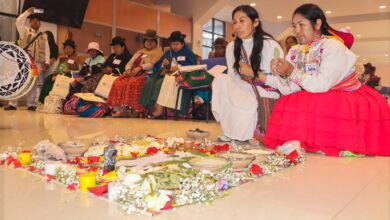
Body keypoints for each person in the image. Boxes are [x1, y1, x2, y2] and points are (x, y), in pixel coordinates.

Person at [263, 4, 390, 156]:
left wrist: (291, 71)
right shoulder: (295, 50)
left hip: (342, 100)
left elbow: (321, 85)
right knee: (291, 100)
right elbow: (289, 89)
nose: (297, 31)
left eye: (301, 25)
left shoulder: (333, 46)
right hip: (315, 98)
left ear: (317, 24)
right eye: (294, 26)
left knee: (322, 100)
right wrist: (282, 74)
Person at [212, 5, 283, 142]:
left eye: (242, 21)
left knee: (244, 94)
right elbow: (233, 77)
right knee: (220, 80)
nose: (237, 26)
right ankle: (230, 130)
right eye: (235, 22)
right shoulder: (232, 47)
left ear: (255, 22)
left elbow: (278, 80)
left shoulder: (270, 45)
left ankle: (248, 132)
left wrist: (252, 73)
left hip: (265, 89)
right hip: (242, 86)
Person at [140, 31, 197, 119]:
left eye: (177, 44)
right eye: (172, 44)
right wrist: (164, 65)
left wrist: (178, 67)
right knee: (150, 81)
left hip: (182, 76)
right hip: (167, 74)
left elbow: (192, 66)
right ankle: (147, 106)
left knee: (161, 82)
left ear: (182, 44)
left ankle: (158, 109)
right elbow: (158, 65)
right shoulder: (168, 52)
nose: (174, 46)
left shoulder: (188, 53)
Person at [107, 29, 163, 118]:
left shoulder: (159, 52)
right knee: (118, 81)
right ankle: (122, 110)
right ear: (144, 42)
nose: (149, 43)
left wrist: (140, 67)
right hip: (133, 72)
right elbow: (130, 62)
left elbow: (153, 64)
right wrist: (128, 69)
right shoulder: (140, 51)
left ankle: (136, 110)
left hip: (147, 73)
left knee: (133, 82)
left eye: (152, 41)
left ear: (156, 42)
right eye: (147, 41)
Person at [5, 7, 50, 111]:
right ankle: (12, 103)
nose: (36, 22)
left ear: (40, 24)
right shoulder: (24, 30)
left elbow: (47, 49)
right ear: (30, 23)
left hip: (37, 63)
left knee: (33, 83)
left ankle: (31, 104)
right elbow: (18, 21)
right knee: (18, 81)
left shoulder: (44, 36)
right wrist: (27, 12)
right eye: (33, 20)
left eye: (38, 21)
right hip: (23, 61)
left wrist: (47, 62)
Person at [38, 39, 82, 103]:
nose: (68, 50)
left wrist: (70, 71)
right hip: (59, 75)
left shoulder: (77, 59)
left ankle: (56, 102)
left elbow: (80, 71)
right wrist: (55, 73)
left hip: (70, 76)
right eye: (66, 48)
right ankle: (44, 100)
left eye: (70, 48)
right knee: (48, 78)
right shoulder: (61, 58)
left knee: (56, 82)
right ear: (64, 49)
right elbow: (56, 68)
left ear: (73, 50)